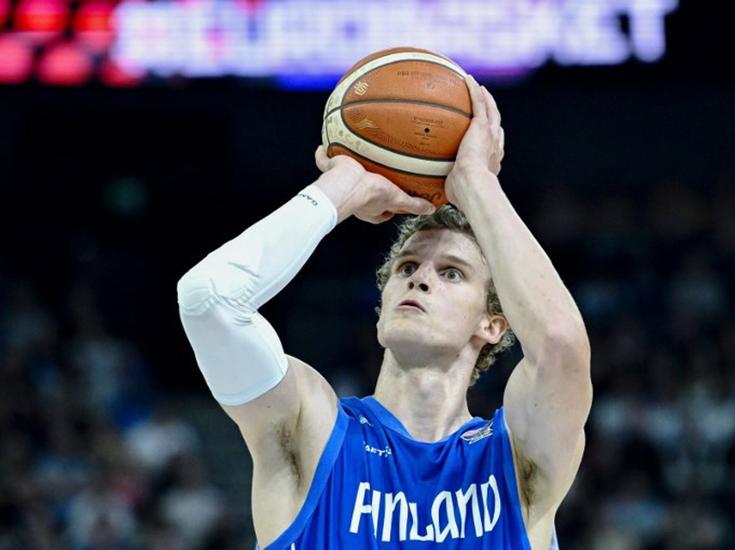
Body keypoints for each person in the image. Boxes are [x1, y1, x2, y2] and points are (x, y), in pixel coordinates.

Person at [177, 74, 591, 549]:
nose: (420, 278)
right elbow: (208, 299)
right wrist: (343, 186)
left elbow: (561, 345)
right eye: (407, 267)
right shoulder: (311, 427)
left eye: (451, 272)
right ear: (381, 308)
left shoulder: (516, 459)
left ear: (493, 324)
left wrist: (478, 184)